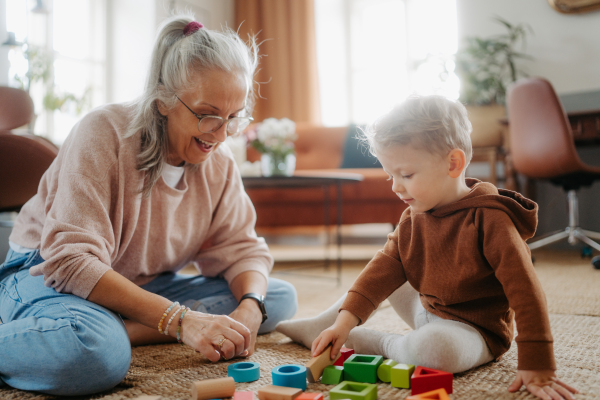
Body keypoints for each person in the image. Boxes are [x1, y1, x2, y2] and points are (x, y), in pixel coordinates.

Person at [0, 14, 297, 396]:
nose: (221, 134)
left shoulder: (218, 162)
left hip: (138, 282)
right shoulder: (103, 132)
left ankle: (119, 328)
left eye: (233, 117)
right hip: (45, 273)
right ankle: (100, 332)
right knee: (94, 353)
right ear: (163, 100)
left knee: (272, 296)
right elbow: (70, 260)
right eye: (207, 115)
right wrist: (180, 321)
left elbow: (242, 249)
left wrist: (250, 310)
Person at [276, 95, 578, 400]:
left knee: (435, 351)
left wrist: (537, 360)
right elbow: (381, 271)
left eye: (406, 175)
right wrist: (344, 320)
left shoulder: (490, 219)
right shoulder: (414, 215)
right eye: (390, 175)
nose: (395, 186)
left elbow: (526, 291)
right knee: (382, 274)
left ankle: (377, 342)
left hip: (474, 332)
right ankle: (326, 325)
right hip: (427, 310)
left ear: (453, 163)